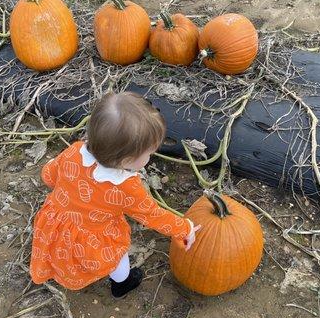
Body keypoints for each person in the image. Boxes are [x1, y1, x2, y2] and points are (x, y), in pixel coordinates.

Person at [30, 91, 200, 298]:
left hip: (56, 223)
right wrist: (185, 228)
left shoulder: (74, 152)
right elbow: (152, 215)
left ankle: (55, 266)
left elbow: (49, 175)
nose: (150, 157)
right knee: (117, 256)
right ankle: (122, 283)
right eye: (149, 153)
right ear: (126, 161)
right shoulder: (126, 187)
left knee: (59, 248)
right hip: (92, 238)